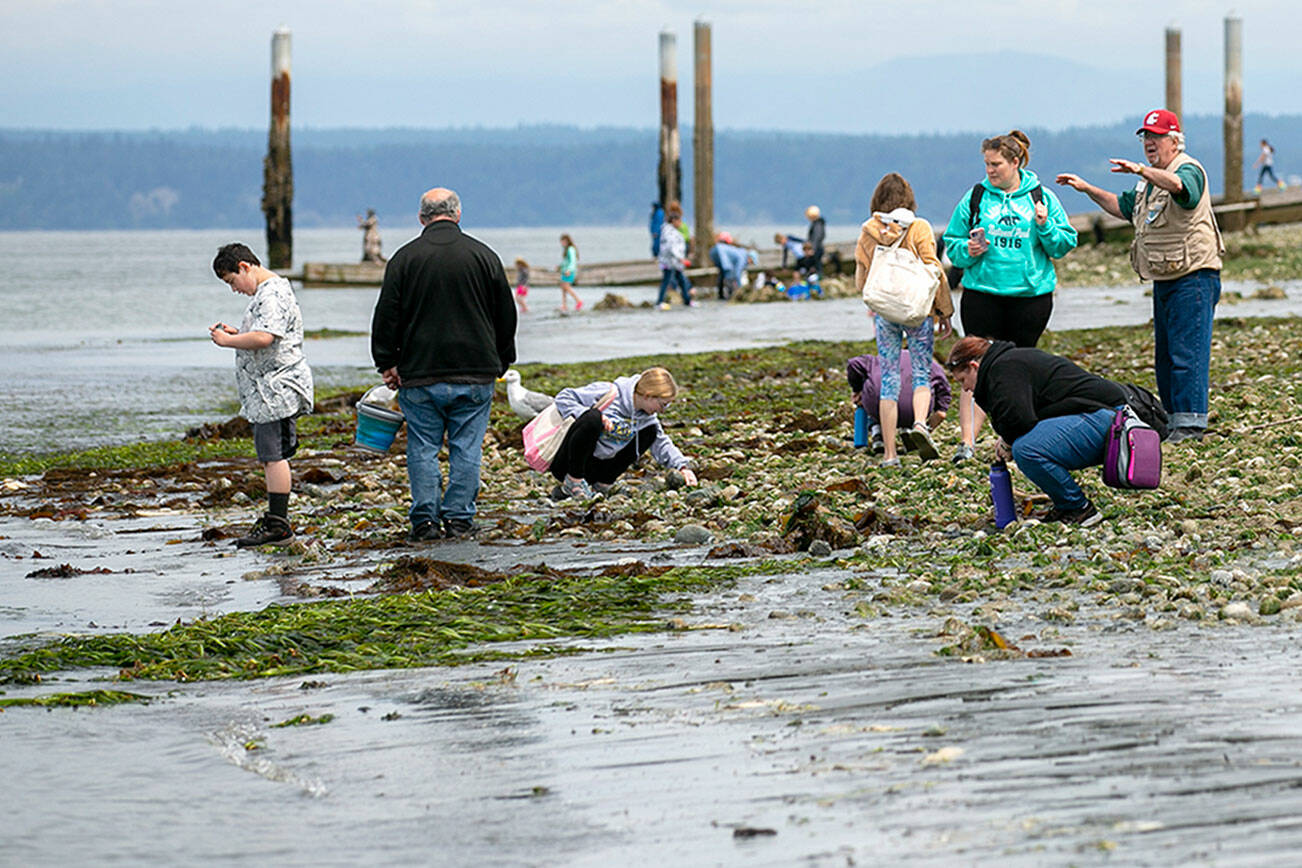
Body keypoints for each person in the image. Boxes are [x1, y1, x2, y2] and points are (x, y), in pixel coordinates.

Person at [1055, 109, 1223, 444]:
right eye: (1146, 137)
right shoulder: (1148, 182)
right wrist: (1087, 188)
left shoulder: (1187, 169)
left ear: (1174, 141)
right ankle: (1175, 422)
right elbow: (1122, 207)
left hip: (1194, 276)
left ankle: (1191, 425)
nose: (1149, 142)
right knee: (1165, 354)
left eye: (1157, 136)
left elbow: (1181, 189)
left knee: (1187, 352)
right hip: (1165, 275)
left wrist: (1141, 170)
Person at [370, 187, 517, 541]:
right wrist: (502, 359)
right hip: (476, 370)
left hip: (420, 372)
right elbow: (506, 315)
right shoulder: (484, 256)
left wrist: (386, 362)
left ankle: (425, 521)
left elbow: (386, 315)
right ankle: (459, 518)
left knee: (422, 447)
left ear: (422, 218)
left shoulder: (404, 259)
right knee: (467, 447)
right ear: (458, 214)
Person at [942, 130, 1078, 463]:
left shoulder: (1040, 196)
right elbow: (952, 244)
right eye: (987, 164)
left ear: (1015, 162)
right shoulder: (975, 197)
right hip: (982, 295)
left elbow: (1064, 244)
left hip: (1030, 299)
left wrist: (1045, 226)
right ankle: (967, 443)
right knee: (971, 366)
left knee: (1019, 370)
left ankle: (1014, 441)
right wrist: (968, 249)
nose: (990, 170)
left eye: (996, 164)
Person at [946, 335, 1130, 527]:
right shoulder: (1006, 363)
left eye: (963, 380)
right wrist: (1006, 438)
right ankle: (1065, 505)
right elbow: (1020, 414)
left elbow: (1021, 419)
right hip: (1099, 417)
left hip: (1114, 421)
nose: (966, 389)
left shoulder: (1004, 368)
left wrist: (1007, 443)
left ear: (974, 366)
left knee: (1026, 449)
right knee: (1026, 443)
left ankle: (1079, 508)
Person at [209, 242, 314, 548]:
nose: (234, 289)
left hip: (276, 390)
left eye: (232, 281)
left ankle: (278, 524)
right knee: (270, 455)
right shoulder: (270, 293)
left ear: (244, 267)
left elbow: (265, 337)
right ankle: (276, 520)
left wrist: (226, 342)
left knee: (273, 456)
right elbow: (261, 333)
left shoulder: (271, 294)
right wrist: (236, 333)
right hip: (268, 392)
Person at [855, 172, 954, 466]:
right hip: (916, 310)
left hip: (885, 313)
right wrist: (944, 310)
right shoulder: (919, 226)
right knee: (921, 372)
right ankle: (921, 425)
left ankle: (889, 454)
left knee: (889, 379)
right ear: (908, 199)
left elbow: (861, 280)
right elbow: (933, 269)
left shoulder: (867, 231)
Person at [548, 367, 698, 500]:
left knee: (650, 431)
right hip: (568, 464)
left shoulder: (647, 417)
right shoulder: (609, 392)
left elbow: (662, 442)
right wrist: (588, 414)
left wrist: (683, 467)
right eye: (662, 404)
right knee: (592, 418)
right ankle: (573, 482)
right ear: (647, 395)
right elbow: (563, 397)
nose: (663, 410)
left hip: (596, 470)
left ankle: (602, 485)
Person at [846, 350, 951, 454]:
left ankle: (877, 432)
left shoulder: (876, 359)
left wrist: (858, 390)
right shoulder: (932, 365)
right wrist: (937, 415)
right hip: (913, 411)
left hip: (879, 408)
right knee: (920, 398)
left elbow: (853, 363)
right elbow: (941, 412)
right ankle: (916, 430)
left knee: (871, 387)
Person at [657, 202, 693, 309]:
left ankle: (687, 301)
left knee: (681, 280)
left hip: (674, 262)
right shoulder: (669, 232)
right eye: (679, 221)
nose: (680, 223)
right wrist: (681, 259)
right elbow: (671, 247)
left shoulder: (670, 230)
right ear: (673, 221)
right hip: (669, 261)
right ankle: (659, 302)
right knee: (666, 281)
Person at [708, 233, 757, 300]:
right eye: (752, 262)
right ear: (750, 258)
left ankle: (720, 295)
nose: (750, 264)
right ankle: (730, 295)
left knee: (722, 273)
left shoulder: (739, 251)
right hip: (721, 252)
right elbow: (737, 273)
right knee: (729, 273)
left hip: (713, 251)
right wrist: (740, 288)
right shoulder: (742, 257)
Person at [558, 234, 582, 312]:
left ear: (567, 241)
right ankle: (564, 305)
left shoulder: (570, 249)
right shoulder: (567, 249)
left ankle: (578, 301)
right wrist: (560, 267)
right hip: (565, 271)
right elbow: (566, 261)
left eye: (563, 241)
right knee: (563, 287)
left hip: (569, 271)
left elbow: (573, 261)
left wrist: (569, 270)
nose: (562, 243)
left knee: (566, 287)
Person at [805, 205, 826, 276]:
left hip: (817, 248)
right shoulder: (818, 223)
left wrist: (812, 249)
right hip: (817, 247)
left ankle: (819, 278)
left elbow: (816, 237)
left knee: (817, 265)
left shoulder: (817, 224)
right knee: (816, 264)